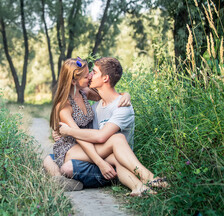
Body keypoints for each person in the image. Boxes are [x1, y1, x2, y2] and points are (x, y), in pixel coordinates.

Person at [44, 57, 161, 196]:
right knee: (117, 140)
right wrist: (100, 163)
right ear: (74, 81)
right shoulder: (64, 106)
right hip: (71, 148)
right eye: (86, 75)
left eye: (90, 72)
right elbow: (77, 136)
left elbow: (107, 94)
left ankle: (139, 187)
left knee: (115, 157)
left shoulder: (84, 92)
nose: (90, 76)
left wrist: (126, 95)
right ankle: (148, 177)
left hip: (85, 144)